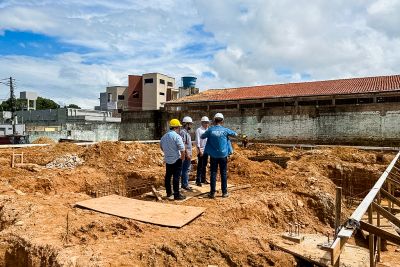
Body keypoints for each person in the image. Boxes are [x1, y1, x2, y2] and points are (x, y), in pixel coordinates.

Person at [201, 113, 237, 198]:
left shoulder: (210, 130)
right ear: (222, 121)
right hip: (223, 155)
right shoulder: (225, 130)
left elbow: (202, 136)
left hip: (213, 155)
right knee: (223, 173)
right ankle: (224, 192)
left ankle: (212, 193)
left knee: (213, 173)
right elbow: (235, 134)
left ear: (214, 121)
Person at [160, 119, 186, 200]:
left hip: (168, 159)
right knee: (176, 177)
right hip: (176, 159)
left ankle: (168, 193)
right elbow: (182, 149)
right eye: (179, 127)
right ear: (177, 127)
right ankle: (177, 195)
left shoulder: (164, 137)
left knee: (168, 176)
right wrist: (182, 158)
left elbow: (161, 147)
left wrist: (167, 153)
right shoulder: (177, 136)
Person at [195, 116, 210, 186]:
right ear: (202, 123)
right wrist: (199, 150)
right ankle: (198, 180)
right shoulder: (199, 130)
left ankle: (203, 179)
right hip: (201, 150)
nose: (207, 124)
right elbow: (197, 141)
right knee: (200, 165)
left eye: (207, 123)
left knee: (204, 165)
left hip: (207, 150)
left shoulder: (208, 130)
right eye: (205, 123)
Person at [179, 116, 193, 191]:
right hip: (186, 154)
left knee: (186, 169)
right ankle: (185, 184)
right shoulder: (183, 132)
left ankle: (185, 184)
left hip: (187, 153)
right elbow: (183, 144)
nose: (191, 125)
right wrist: (187, 154)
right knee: (185, 169)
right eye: (190, 124)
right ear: (186, 124)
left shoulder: (186, 132)